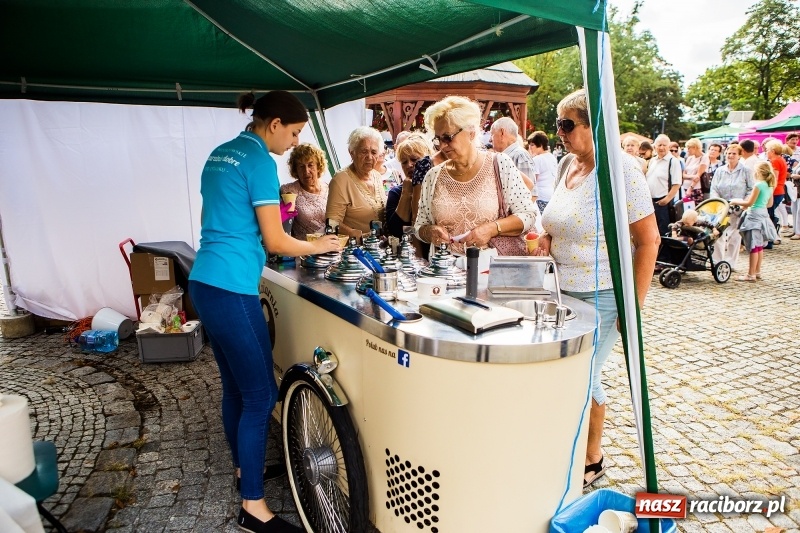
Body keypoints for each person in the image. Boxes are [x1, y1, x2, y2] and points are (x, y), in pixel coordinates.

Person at [188, 91, 339, 533]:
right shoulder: (258, 161)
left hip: (204, 281)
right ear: (273, 124)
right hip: (232, 288)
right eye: (293, 132)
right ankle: (254, 509)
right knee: (260, 396)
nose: (294, 142)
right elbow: (276, 241)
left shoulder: (220, 154)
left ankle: (243, 472)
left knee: (235, 388)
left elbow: (213, 219)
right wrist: (320, 245)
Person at [532, 89, 659, 488]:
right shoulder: (567, 163)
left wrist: (632, 306)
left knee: (583, 375)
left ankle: (592, 457)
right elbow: (562, 219)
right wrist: (549, 237)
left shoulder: (621, 170)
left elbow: (648, 240)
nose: (560, 132)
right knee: (567, 373)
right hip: (560, 292)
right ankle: (570, 447)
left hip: (601, 293)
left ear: (594, 125)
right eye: (558, 124)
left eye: (568, 124)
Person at [414, 95, 537, 256]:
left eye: (447, 137)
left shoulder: (499, 164)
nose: (442, 145)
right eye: (438, 139)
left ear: (471, 132)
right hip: (446, 272)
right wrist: (429, 232)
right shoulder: (433, 175)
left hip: (493, 272)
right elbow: (419, 226)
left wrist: (492, 229)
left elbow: (528, 214)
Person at [326, 126, 388, 240]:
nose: (369, 157)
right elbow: (332, 223)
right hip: (353, 251)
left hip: (379, 248)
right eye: (364, 151)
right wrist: (355, 234)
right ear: (352, 153)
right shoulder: (341, 180)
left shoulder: (377, 176)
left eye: (374, 152)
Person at [730, 161, 779, 281]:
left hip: (754, 215)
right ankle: (757, 271)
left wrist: (735, 201)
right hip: (763, 214)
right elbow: (770, 204)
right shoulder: (769, 185)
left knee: (753, 245)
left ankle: (750, 274)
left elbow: (749, 203)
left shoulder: (758, 185)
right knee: (759, 245)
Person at [709, 144, 753, 270]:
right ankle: (717, 260)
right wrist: (717, 202)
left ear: (739, 155)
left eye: (734, 153)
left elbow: (751, 189)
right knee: (718, 234)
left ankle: (730, 263)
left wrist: (744, 203)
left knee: (735, 235)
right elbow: (714, 188)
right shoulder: (720, 170)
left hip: (739, 207)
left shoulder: (745, 171)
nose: (731, 156)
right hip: (722, 207)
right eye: (728, 153)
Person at [384, 134, 434, 239]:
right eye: (404, 162)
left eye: (414, 159)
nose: (409, 165)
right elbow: (396, 231)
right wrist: (406, 194)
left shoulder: (437, 187)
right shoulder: (396, 192)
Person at [280, 143, 329, 240]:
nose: (306, 171)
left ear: (318, 167)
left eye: (310, 165)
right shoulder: (290, 190)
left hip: (330, 244)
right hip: (305, 249)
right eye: (301, 166)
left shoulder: (329, 188)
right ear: (296, 170)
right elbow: (285, 226)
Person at [490, 117, 538, 196]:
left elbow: (531, 194)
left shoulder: (519, 155)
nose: (490, 139)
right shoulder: (510, 155)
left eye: (492, 134)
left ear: (502, 133)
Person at [646, 134, 682, 235]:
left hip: (663, 203)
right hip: (650, 202)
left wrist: (666, 200)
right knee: (652, 232)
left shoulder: (673, 161)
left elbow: (677, 183)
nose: (661, 147)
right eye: (659, 145)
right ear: (655, 146)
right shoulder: (653, 160)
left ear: (669, 146)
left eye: (664, 145)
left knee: (664, 233)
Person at [528, 130, 557, 212]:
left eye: (532, 145)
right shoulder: (552, 157)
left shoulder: (537, 159)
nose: (530, 148)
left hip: (540, 196)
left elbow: (533, 181)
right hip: (551, 195)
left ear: (540, 145)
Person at [765, 140, 787, 246]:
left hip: (775, 192)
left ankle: (769, 240)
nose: (766, 152)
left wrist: (769, 193)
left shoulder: (775, 161)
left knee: (769, 215)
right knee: (771, 214)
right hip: (779, 191)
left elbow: (774, 179)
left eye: (767, 150)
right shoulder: (780, 159)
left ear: (772, 151)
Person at [682, 138, 708, 204]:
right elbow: (683, 174)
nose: (687, 150)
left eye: (689, 148)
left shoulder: (704, 157)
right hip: (685, 187)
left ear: (695, 147)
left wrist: (690, 188)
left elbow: (698, 176)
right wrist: (692, 176)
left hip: (695, 188)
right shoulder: (690, 158)